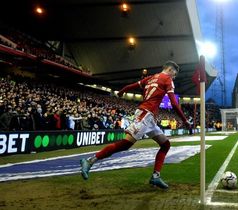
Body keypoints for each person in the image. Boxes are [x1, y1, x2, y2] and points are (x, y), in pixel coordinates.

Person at [79, 61, 189, 189]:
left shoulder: (151, 77)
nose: (174, 77)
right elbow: (174, 104)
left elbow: (132, 85)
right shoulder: (168, 79)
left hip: (149, 117)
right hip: (145, 115)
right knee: (125, 144)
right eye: (174, 74)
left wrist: (122, 91)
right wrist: (185, 120)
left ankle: (155, 176)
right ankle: (90, 161)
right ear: (170, 70)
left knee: (165, 145)